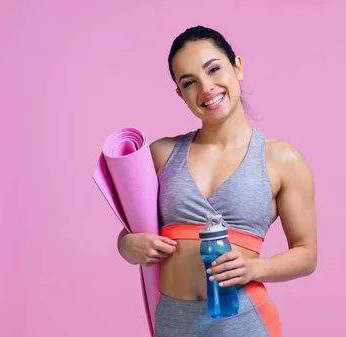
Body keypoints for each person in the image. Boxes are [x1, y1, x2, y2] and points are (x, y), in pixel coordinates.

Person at [116, 25, 318, 337]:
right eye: (189, 82)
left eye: (214, 69)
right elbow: (130, 231)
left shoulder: (282, 160)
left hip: (245, 322)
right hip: (173, 323)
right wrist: (127, 246)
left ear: (237, 66)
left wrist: (254, 268)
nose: (207, 87)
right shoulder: (160, 154)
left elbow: (306, 254)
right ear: (180, 95)